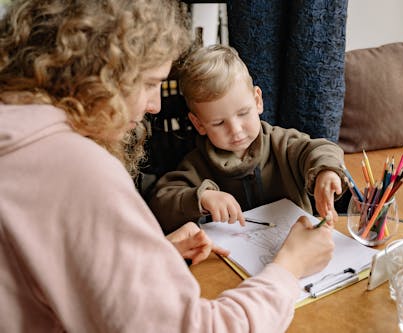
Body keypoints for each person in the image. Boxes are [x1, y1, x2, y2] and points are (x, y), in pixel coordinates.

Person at [0, 1, 336, 332]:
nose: (155, 105)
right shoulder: (80, 170)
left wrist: (151, 254)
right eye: (149, 83)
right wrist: (289, 267)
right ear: (98, 72)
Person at [149, 44, 347, 234]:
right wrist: (202, 197)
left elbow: (320, 149)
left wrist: (326, 172)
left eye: (243, 113)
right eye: (219, 123)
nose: (236, 130)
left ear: (257, 100)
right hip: (228, 263)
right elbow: (161, 202)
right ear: (199, 123)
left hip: (299, 247)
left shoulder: (283, 144)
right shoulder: (195, 164)